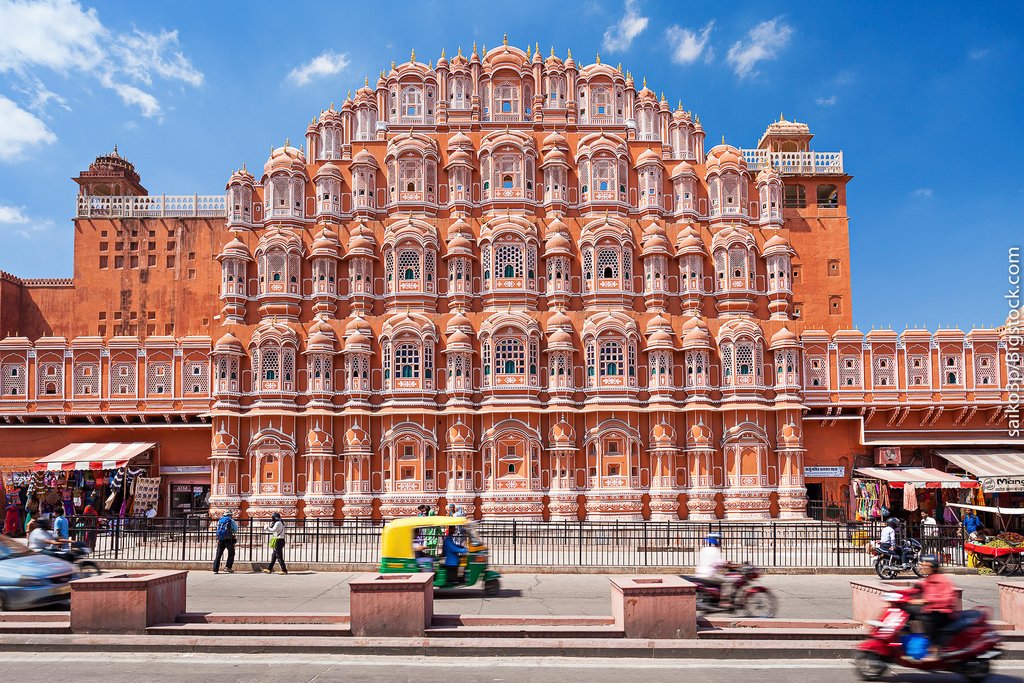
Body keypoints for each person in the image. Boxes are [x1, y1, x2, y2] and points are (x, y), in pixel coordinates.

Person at [912, 554, 958, 659]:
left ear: (932, 567)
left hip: (943, 612)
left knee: (926, 618)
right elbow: (917, 589)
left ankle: (934, 648)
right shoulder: (928, 579)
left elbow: (947, 599)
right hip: (932, 609)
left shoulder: (941, 580)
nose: (922, 567)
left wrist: (927, 601)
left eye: (925, 565)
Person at [695, 533, 736, 605]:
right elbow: (718, 563)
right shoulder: (715, 550)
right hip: (710, 574)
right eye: (719, 540)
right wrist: (727, 564)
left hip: (699, 573)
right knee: (728, 581)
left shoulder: (704, 549)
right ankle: (725, 601)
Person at [213, 510, 238, 574]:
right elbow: (235, 529)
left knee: (218, 554)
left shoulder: (220, 520)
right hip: (228, 539)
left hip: (220, 539)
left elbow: (217, 528)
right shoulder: (231, 520)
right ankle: (228, 567)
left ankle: (215, 569)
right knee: (231, 553)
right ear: (230, 515)